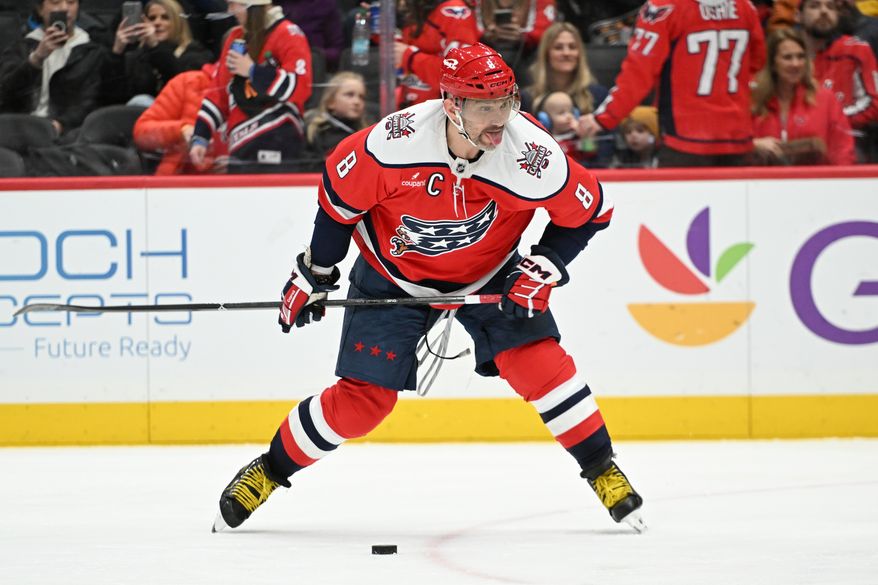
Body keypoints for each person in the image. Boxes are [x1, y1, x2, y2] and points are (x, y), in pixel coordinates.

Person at [211, 43, 645, 535]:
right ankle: (268, 471)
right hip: (391, 274)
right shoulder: (392, 145)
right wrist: (316, 273)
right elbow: (338, 205)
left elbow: (592, 214)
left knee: (540, 365)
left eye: (507, 102)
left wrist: (545, 263)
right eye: (486, 106)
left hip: (490, 271)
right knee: (362, 402)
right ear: (451, 105)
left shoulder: (530, 155)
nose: (500, 118)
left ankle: (603, 468)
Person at [579, 0, 766, 167]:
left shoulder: (663, 8)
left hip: (685, 141)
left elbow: (638, 75)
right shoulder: (745, 7)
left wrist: (602, 119)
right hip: (737, 139)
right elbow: (757, 63)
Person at [189, 0, 312, 174]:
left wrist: (253, 71)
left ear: (252, 6)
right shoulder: (235, 38)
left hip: (280, 141)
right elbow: (219, 94)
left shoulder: (288, 33)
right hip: (240, 146)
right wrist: (200, 137)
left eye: (234, 4)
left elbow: (301, 87)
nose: (230, 11)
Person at [751, 27, 855, 166]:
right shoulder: (753, 100)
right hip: (763, 183)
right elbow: (735, 145)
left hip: (816, 183)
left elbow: (843, 150)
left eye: (801, 56)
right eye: (787, 57)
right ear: (772, 64)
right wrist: (753, 144)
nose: (796, 64)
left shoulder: (825, 99)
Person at [0, 0, 105, 137]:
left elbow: (88, 101)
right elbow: (5, 93)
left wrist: (60, 125)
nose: (64, 8)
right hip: (19, 126)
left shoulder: (92, 50)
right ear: (40, 10)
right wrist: (36, 59)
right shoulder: (22, 46)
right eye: (55, 2)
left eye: (71, 2)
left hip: (67, 132)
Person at [798, 0, 878, 156]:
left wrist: (827, 120)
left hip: (847, 140)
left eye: (830, 7)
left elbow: (874, 104)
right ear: (798, 15)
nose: (824, 11)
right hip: (797, 139)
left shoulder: (857, 50)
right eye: (815, 6)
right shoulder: (786, 55)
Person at [526, 22, 612, 165]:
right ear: (546, 54)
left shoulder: (598, 95)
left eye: (572, 47)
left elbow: (605, 153)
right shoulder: (527, 98)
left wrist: (586, 139)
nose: (566, 53)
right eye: (558, 47)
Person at [101, 0, 214, 107]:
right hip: (138, 117)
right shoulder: (138, 56)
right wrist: (116, 53)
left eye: (165, 18)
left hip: (178, 116)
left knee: (142, 101)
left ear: (178, 22)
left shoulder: (197, 55)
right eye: (152, 18)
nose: (157, 23)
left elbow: (181, 87)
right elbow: (113, 98)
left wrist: (155, 46)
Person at [133, 62, 228, 174]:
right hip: (178, 182)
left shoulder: (252, 92)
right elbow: (141, 133)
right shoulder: (188, 83)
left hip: (240, 184)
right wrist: (182, 131)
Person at [394, 0, 481, 108]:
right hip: (412, 103)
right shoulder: (417, 7)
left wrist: (410, 57)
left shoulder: (453, 10)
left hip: (441, 109)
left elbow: (461, 73)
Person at [474, 0, 556, 77]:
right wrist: (484, 36)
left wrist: (524, 37)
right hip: (481, 55)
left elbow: (546, 34)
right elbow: (465, 33)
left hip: (527, 55)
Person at [304, 71, 369, 167]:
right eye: (349, 95)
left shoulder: (369, 134)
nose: (357, 102)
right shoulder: (313, 131)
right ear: (331, 102)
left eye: (361, 97)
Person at [274, 0, 344, 70]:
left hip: (313, 66)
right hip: (277, 62)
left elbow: (336, 50)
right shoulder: (274, 4)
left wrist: (314, 56)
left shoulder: (326, 4)